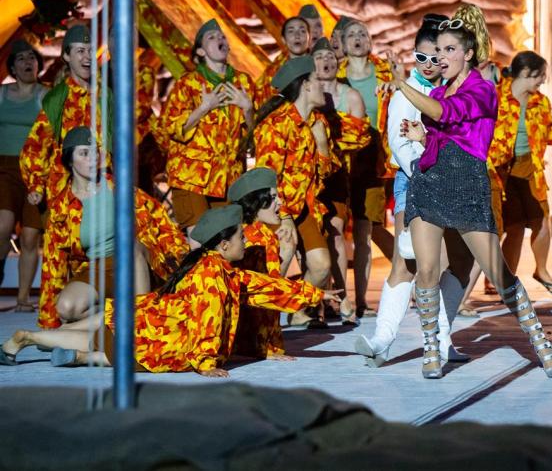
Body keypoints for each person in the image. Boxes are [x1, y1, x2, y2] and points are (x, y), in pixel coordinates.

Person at [386, 6, 552, 379]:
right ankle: (432, 350)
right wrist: (423, 137)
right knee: (427, 269)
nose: (441, 57)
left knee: (499, 274)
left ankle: (541, 345)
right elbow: (441, 133)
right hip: (429, 185)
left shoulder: (482, 89)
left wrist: (402, 84)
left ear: (468, 54)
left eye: (449, 50)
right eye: (438, 50)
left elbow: (447, 113)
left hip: (468, 189)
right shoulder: (438, 89)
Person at [0, 205, 336, 374]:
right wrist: (205, 363)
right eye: (240, 238)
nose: (245, 243)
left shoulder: (216, 266)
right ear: (223, 244)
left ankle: (46, 344)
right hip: (150, 339)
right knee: (98, 344)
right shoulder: (212, 275)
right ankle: (28, 339)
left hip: (145, 320)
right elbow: (208, 321)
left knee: (95, 337)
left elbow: (264, 287)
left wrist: (315, 294)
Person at [354, 15, 473, 367]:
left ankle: (441, 339)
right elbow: (400, 144)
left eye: (436, 56)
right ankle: (383, 339)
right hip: (417, 181)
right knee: (408, 261)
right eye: (421, 57)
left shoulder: (456, 89)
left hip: (454, 183)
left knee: (461, 262)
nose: (429, 64)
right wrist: (428, 174)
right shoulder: (405, 93)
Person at [37, 127, 188, 327]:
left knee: (130, 246)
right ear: (69, 160)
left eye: (95, 152)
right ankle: (122, 311)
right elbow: (53, 263)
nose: (93, 158)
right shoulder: (61, 208)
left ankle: (142, 320)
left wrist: (181, 264)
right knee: (66, 308)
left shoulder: (120, 189)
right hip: (98, 267)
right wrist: (48, 322)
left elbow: (163, 224)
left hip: (137, 260)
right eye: (84, 153)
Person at [251, 56, 334, 328]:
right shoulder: (276, 124)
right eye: (317, 80)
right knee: (285, 246)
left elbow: (324, 175)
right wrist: (283, 216)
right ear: (305, 85)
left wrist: (322, 145)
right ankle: (259, 323)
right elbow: (266, 179)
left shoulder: (317, 121)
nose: (323, 86)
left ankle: (298, 311)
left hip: (305, 206)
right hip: (274, 207)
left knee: (321, 266)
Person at [489, 51, 552, 296]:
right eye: (541, 76)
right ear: (526, 72)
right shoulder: (495, 96)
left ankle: (541, 270)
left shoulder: (540, 102)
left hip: (529, 169)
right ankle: (499, 278)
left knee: (541, 219)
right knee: (508, 227)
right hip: (498, 170)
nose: (543, 81)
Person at [157, 19, 254, 231]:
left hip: (229, 177)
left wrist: (247, 109)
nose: (220, 39)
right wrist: (203, 108)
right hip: (192, 176)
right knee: (201, 241)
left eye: (222, 37)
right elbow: (170, 128)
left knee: (228, 242)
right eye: (211, 37)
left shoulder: (244, 82)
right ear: (200, 51)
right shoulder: (188, 83)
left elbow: (255, 138)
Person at [337, 18, 395, 316]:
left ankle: (361, 301)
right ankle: (338, 299)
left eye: (363, 34)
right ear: (343, 43)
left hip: (373, 160)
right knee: (335, 230)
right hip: (340, 160)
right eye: (352, 35)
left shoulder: (384, 72)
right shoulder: (334, 73)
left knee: (365, 231)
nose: (358, 38)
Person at [311, 36, 369, 322]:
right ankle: (316, 304)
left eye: (331, 57)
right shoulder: (305, 93)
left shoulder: (350, 95)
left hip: (336, 173)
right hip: (307, 175)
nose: (327, 61)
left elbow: (360, 138)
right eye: (320, 58)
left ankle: (342, 298)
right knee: (311, 238)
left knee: (335, 232)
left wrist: (330, 127)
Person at [20, 24, 104, 214]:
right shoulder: (58, 100)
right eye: (80, 51)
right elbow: (36, 145)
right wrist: (36, 185)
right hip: (65, 195)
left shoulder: (105, 98)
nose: (87, 56)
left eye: (90, 51)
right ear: (67, 57)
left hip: (101, 189)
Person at [227, 168, 293, 360]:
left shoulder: (240, 231)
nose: (280, 202)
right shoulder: (260, 236)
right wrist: (267, 349)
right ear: (256, 202)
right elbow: (267, 294)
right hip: (239, 341)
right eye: (272, 198)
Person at [0, 40, 46, 311]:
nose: (28, 62)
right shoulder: (1, 95)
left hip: (36, 169)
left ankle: (23, 298)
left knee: (30, 235)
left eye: (32, 57)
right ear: (13, 67)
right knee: (3, 226)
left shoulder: (45, 95)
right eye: (21, 58)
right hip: (4, 167)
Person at [255, 14, 312, 108]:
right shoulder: (276, 66)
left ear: (309, 38)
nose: (297, 36)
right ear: (283, 39)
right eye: (291, 31)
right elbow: (259, 95)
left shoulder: (320, 66)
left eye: (302, 31)